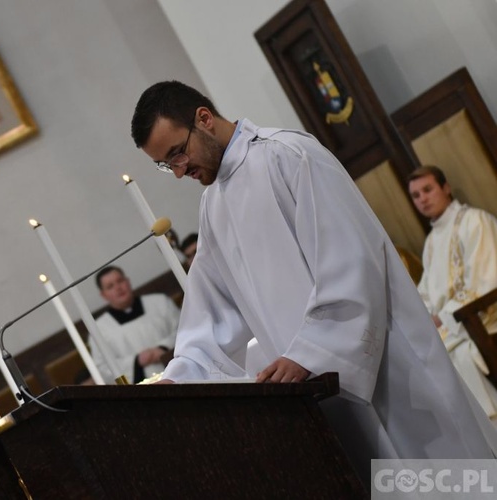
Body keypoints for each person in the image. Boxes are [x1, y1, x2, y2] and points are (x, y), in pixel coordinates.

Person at [129, 80, 497, 481]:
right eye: (167, 166)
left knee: (448, 481)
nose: (180, 172)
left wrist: (310, 351)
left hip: (389, 372)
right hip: (318, 390)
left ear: (204, 119)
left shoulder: (288, 155)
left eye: (178, 153)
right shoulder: (213, 207)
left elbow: (352, 260)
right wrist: (176, 379)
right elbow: (211, 312)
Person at [408, 165, 497, 424]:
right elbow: (424, 294)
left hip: (481, 319)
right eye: (415, 195)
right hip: (450, 326)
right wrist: (425, 319)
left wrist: (443, 318)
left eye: (428, 189)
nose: (422, 199)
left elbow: (486, 280)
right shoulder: (432, 241)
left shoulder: (474, 221)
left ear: (445, 188)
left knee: (449, 357)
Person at [91, 266, 179, 384]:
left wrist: (163, 348)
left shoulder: (160, 302)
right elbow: (103, 368)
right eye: (110, 286)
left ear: (128, 281)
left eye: (120, 281)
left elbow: (184, 330)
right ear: (104, 295)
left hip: (178, 375)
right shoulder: (99, 329)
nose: (118, 288)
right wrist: (137, 361)